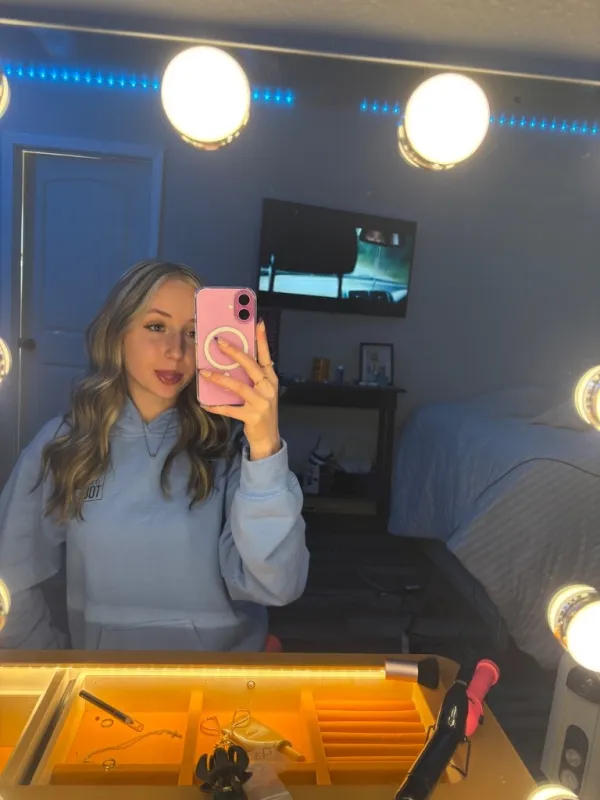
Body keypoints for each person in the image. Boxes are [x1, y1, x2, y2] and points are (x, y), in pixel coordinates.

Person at [0, 260, 308, 651]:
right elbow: (9, 574)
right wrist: (46, 659)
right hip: (104, 679)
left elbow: (277, 585)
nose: (176, 351)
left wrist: (265, 450)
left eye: (193, 332)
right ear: (118, 333)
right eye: (156, 326)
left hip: (223, 677)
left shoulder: (232, 448)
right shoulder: (63, 445)